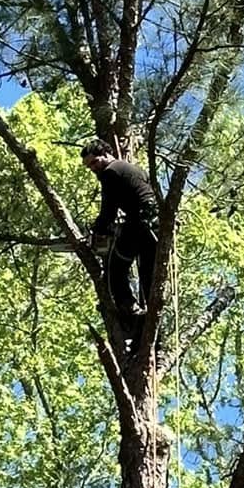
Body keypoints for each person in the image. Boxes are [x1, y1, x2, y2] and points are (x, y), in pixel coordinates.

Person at [81, 140, 159, 346]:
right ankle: (152, 330)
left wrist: (97, 230)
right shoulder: (132, 169)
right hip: (153, 225)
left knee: (114, 270)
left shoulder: (111, 172)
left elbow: (108, 211)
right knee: (148, 279)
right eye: (89, 166)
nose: (93, 168)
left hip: (141, 223)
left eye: (95, 162)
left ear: (107, 154)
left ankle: (131, 313)